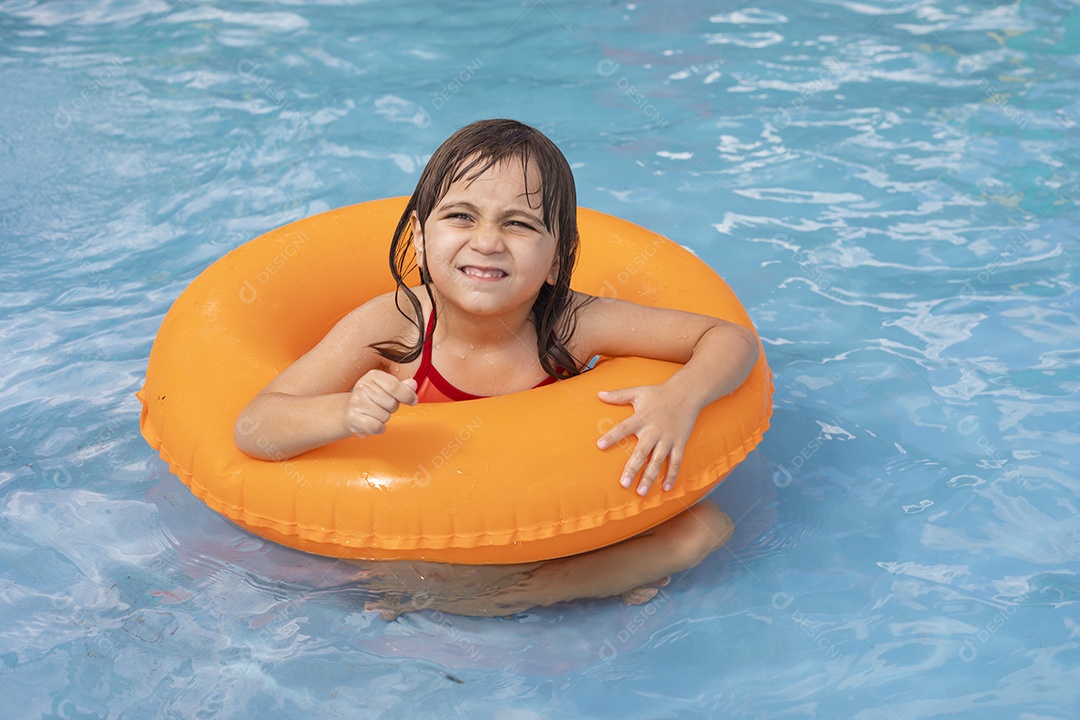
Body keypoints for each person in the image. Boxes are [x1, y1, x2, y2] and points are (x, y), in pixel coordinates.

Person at [235, 119, 759, 618]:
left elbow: (728, 338)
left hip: (553, 527)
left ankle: (537, 591)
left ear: (558, 258)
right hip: (429, 535)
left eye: (519, 223)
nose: (487, 240)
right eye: (461, 216)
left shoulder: (572, 324)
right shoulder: (393, 324)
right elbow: (256, 426)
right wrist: (343, 411)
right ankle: (551, 586)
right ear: (419, 236)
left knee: (705, 531)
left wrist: (680, 398)